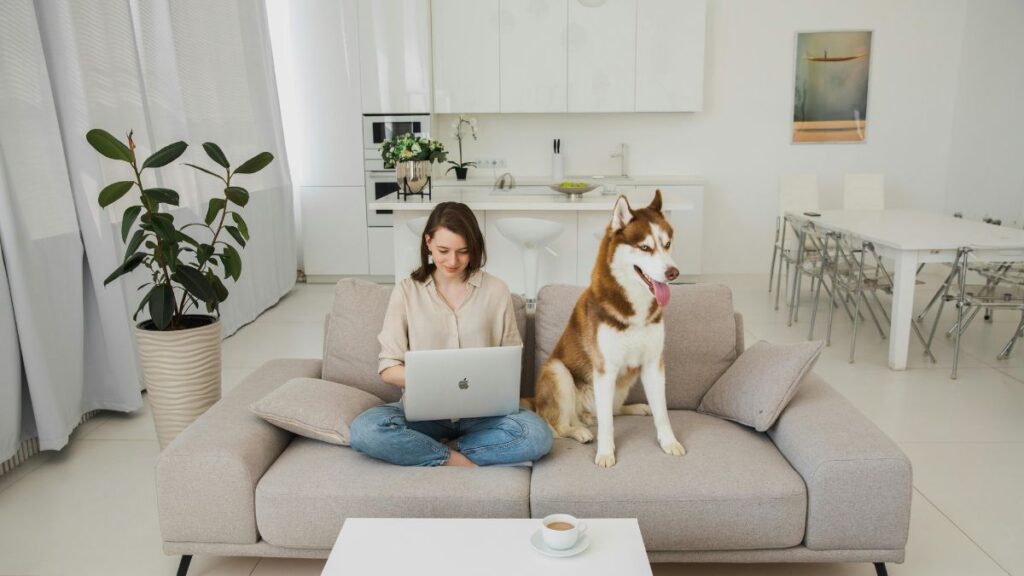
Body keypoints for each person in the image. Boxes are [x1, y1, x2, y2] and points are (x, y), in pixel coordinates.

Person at [349, 202, 553, 467]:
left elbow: (512, 361)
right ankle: (457, 460)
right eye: (443, 251)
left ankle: (438, 451)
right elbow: (388, 368)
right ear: (428, 242)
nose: (453, 261)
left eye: (463, 252)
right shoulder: (406, 291)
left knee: (537, 436)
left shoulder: (496, 291)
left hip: (484, 415)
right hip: (424, 416)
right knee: (366, 430)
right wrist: (436, 378)